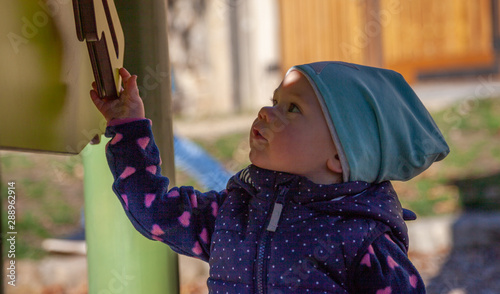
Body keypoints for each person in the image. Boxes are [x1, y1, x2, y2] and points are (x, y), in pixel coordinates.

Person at [90, 61, 449, 293]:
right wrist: (129, 128)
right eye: (274, 100)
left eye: (292, 108)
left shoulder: (361, 239)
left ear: (340, 156)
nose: (266, 111)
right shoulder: (233, 214)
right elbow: (154, 211)